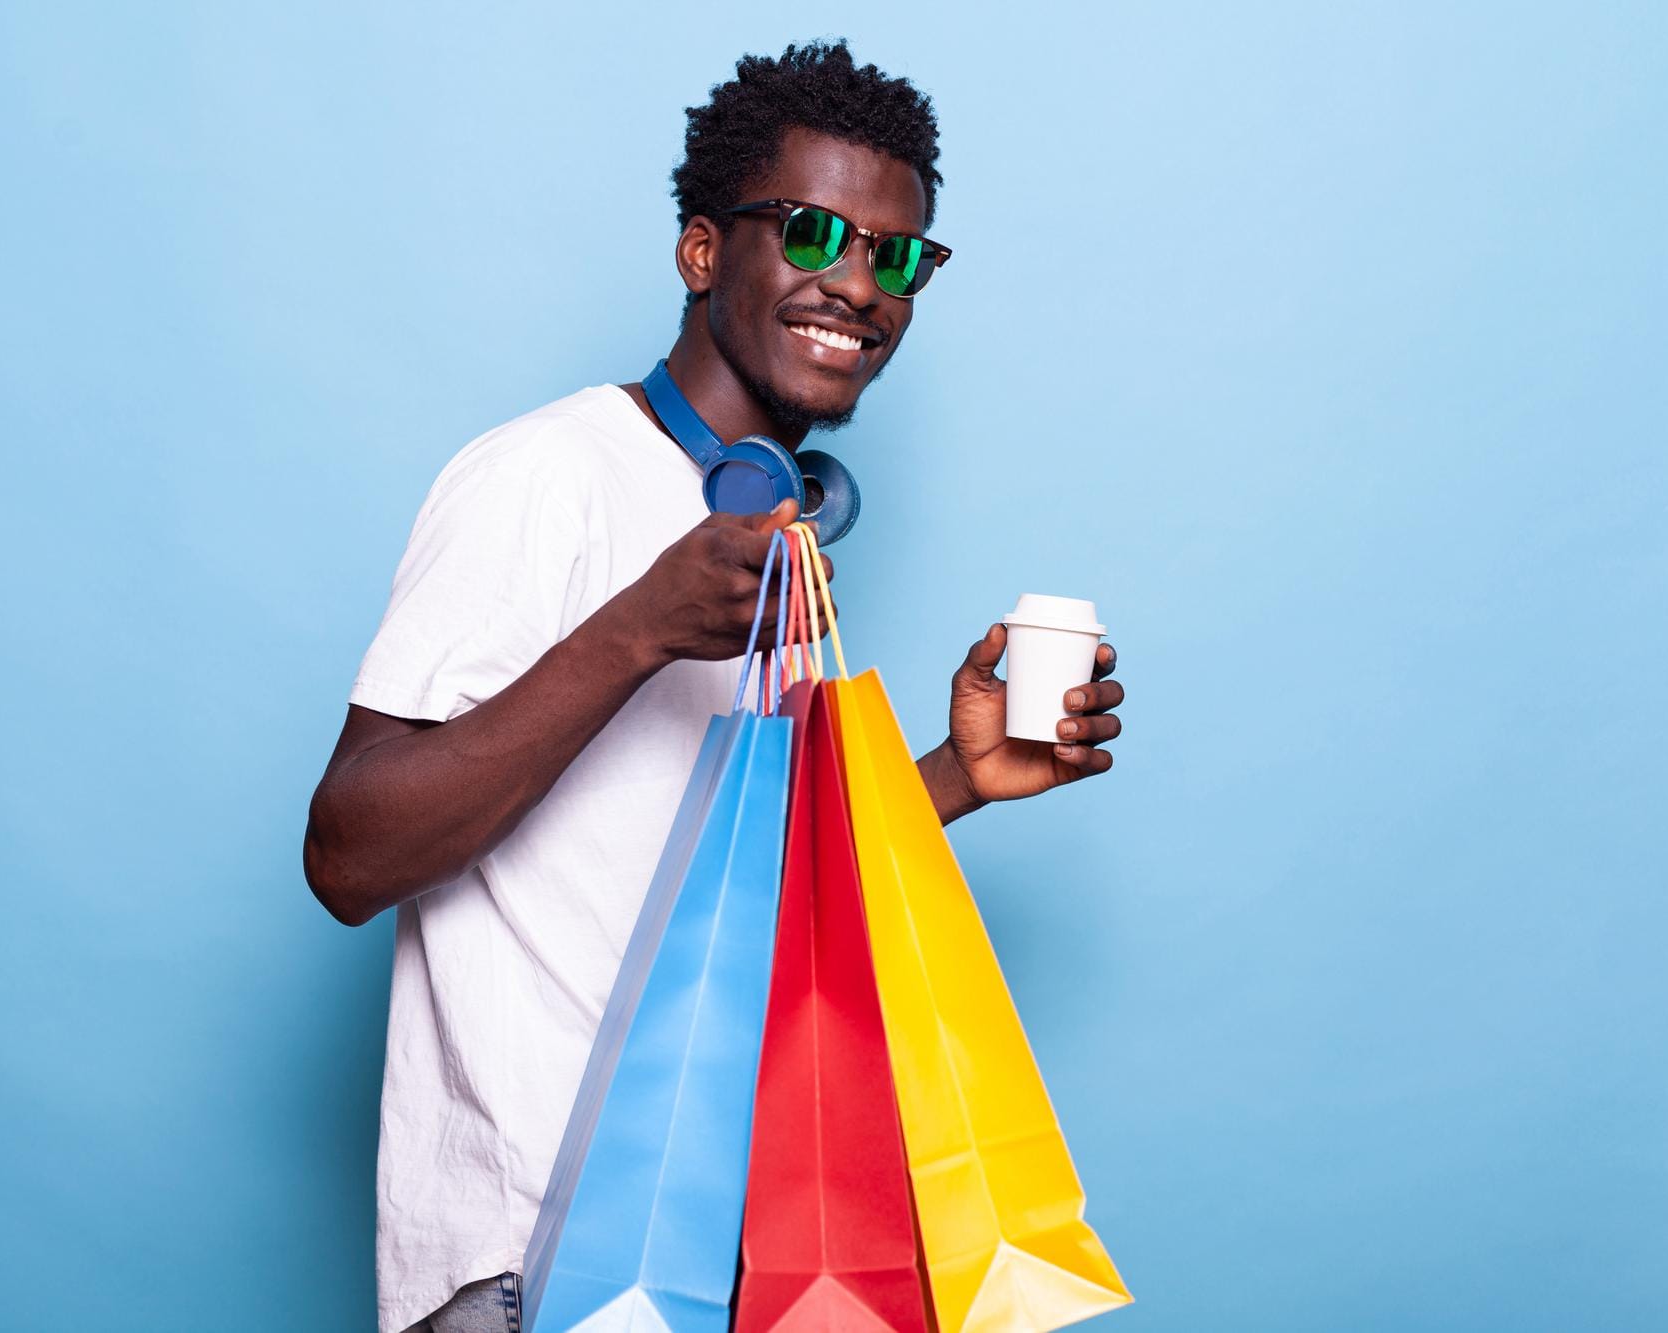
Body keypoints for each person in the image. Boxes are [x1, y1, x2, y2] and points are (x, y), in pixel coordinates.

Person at [302, 39, 1124, 1333]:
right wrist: (635, 630)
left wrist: (958, 778)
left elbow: (736, 895)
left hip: (725, 1255)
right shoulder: (547, 476)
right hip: (539, 1260)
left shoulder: (776, 546)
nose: (856, 284)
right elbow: (349, 854)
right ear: (701, 251)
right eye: (812, 232)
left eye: (894, 255)